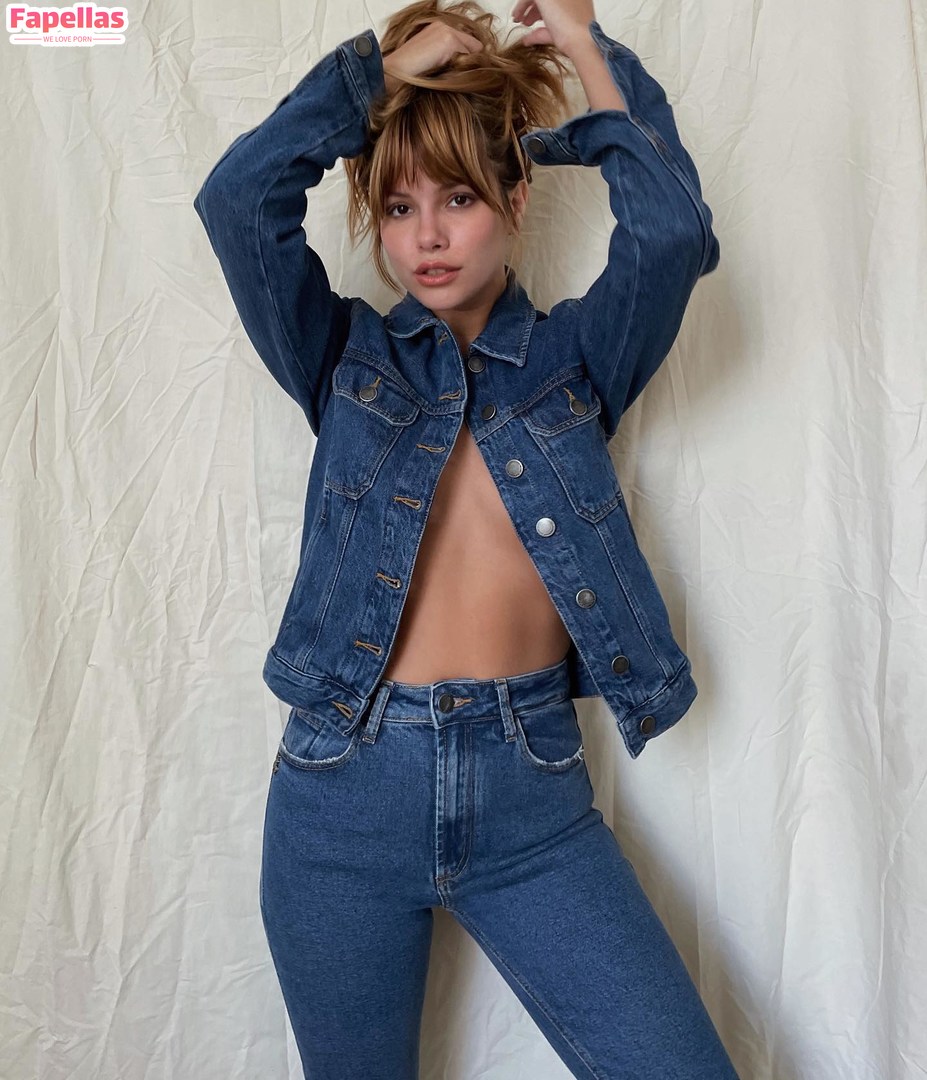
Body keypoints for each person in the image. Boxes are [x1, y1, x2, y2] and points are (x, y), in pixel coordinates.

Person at [194, 0, 736, 1076]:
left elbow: (672, 233)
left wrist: (583, 47)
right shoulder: (342, 356)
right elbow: (237, 200)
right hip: (340, 794)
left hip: (530, 794)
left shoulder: (577, 359)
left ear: (516, 197)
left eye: (459, 198)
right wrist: (377, 74)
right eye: (398, 207)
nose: (427, 238)